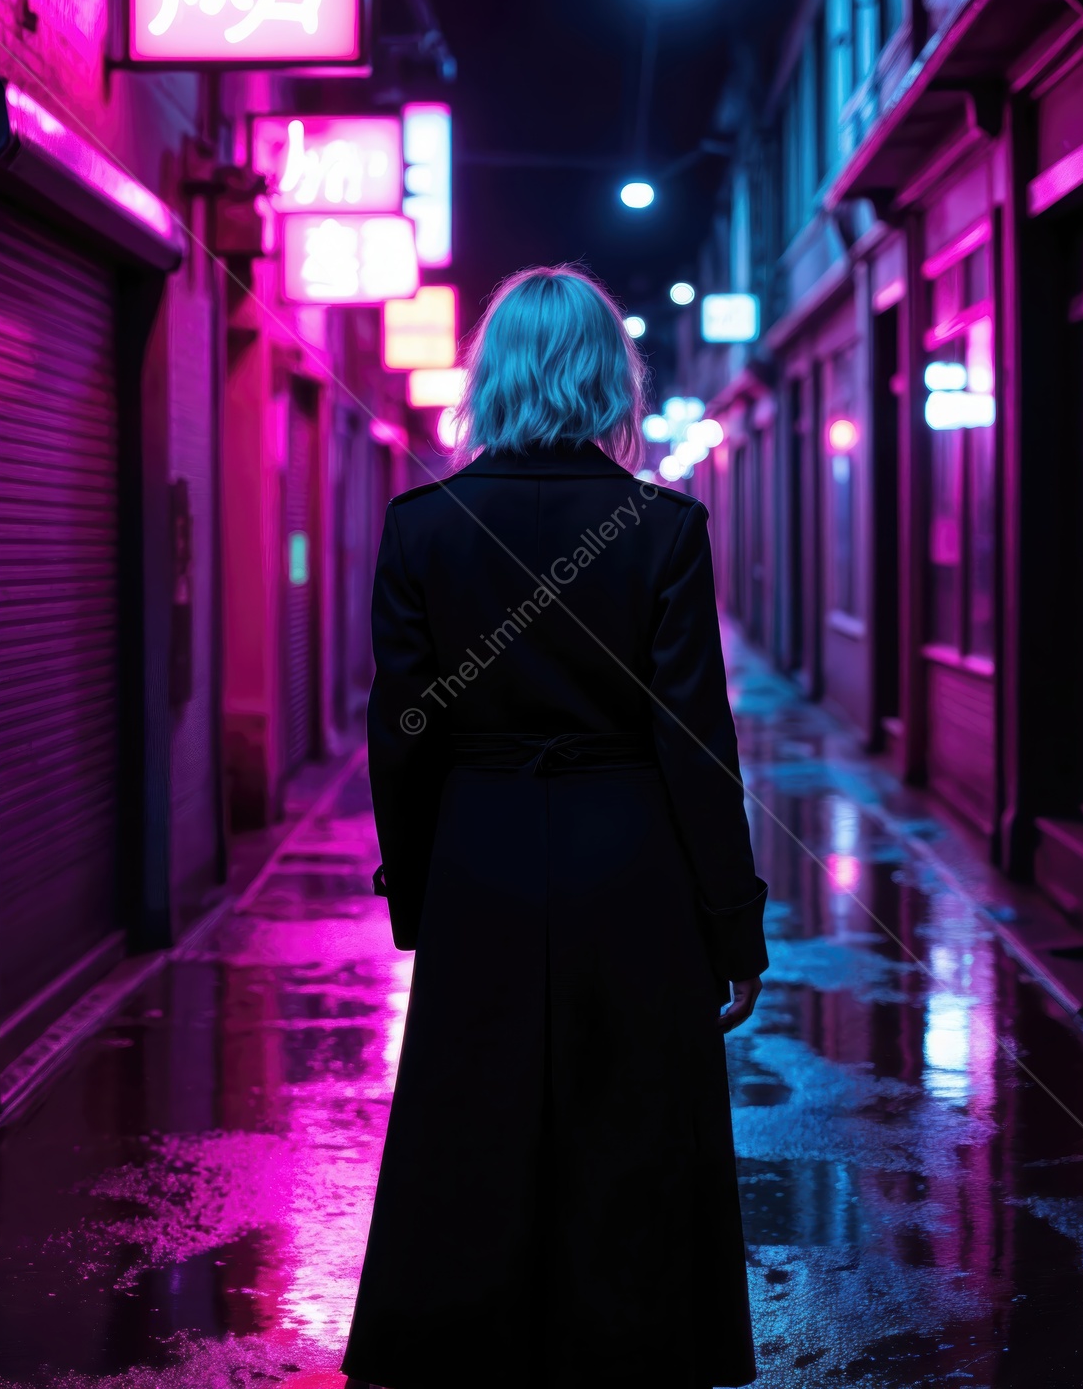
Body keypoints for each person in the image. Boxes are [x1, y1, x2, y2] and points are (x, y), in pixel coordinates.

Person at [343, 266, 767, 1389]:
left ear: (494, 377)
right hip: (630, 856)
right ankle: (629, 1348)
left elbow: (402, 729)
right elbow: (695, 740)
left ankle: (463, 1345)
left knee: (468, 1114)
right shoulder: (661, 528)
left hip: (481, 851)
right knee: (634, 1117)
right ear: (607, 379)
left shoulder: (423, 526)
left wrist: (419, 891)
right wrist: (733, 922)